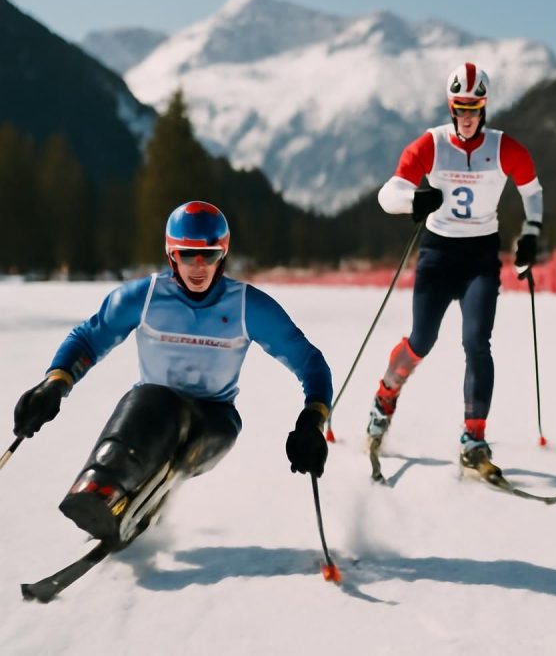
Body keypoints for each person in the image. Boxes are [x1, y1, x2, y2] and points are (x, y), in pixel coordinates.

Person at [12, 201, 333, 548]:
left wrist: (311, 421)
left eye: (208, 256)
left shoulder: (247, 306)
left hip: (214, 422)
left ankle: (144, 495)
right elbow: (89, 339)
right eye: (187, 254)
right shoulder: (144, 297)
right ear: (171, 255)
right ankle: (98, 487)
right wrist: (55, 384)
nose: (198, 266)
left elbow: (310, 362)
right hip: (151, 413)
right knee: (149, 398)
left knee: (176, 420)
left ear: (222, 256)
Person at [368, 62, 543, 469]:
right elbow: (388, 193)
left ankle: (474, 437)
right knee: (421, 340)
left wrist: (531, 233)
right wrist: (414, 201)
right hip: (438, 254)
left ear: (485, 107)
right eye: (461, 108)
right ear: (451, 108)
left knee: (477, 343)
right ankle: (385, 396)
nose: (467, 117)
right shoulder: (431, 144)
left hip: (481, 256)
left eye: (475, 108)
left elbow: (531, 190)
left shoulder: (504, 148)